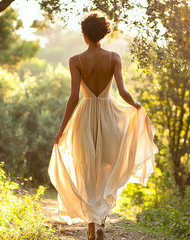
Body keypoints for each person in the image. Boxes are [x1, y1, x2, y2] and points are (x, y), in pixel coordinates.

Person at [48, 12, 158, 240]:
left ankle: (91, 224)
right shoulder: (114, 57)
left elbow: (73, 98)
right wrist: (137, 106)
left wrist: (61, 130)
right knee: (107, 168)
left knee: (86, 168)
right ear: (103, 34)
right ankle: (101, 223)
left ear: (85, 35)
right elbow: (123, 91)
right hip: (109, 116)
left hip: (85, 117)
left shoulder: (76, 60)